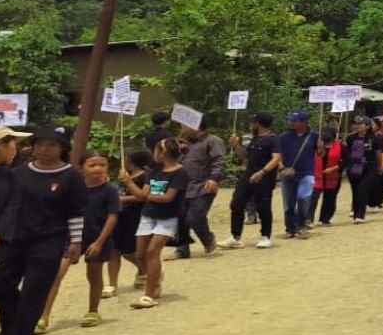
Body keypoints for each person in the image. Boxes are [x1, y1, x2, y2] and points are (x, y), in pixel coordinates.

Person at [0, 127, 85, 335]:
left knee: (33, 293)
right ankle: (12, 323)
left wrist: (75, 241)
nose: (44, 149)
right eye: (40, 144)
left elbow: (75, 212)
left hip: (49, 241)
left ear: (62, 149)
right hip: (14, 239)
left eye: (51, 145)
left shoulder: (71, 176)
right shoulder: (17, 173)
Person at [120, 137, 188, 310]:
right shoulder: (153, 172)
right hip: (148, 215)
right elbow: (142, 195)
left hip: (168, 217)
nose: (152, 154)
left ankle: (149, 295)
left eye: (155, 150)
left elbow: (167, 197)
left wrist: (144, 196)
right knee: (140, 254)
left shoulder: (180, 173)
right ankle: (155, 276)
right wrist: (128, 182)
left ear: (162, 152)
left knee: (152, 252)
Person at [219, 112, 280, 250]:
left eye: (254, 121)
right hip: (248, 176)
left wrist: (262, 172)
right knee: (236, 204)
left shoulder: (273, 139)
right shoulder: (255, 138)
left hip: (264, 178)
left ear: (259, 123)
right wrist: (236, 146)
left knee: (263, 207)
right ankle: (235, 237)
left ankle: (265, 236)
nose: (252, 124)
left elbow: (276, 158)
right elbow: (246, 156)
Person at [76, 152, 119, 328]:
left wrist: (99, 242)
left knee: (93, 274)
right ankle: (44, 315)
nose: (97, 169)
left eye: (102, 165)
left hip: (97, 238)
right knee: (57, 274)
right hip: (74, 237)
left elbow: (112, 217)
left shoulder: (109, 190)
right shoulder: (75, 188)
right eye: (92, 165)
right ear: (82, 168)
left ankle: (93, 310)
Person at [0, 126, 25, 335]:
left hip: (1, 242)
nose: (16, 149)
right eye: (13, 144)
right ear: (0, 144)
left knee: (3, 285)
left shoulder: (7, 175)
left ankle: (15, 329)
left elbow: (13, 206)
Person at [174, 125, 224, 259]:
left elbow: (218, 161)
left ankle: (207, 238)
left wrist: (214, 178)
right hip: (182, 185)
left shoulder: (212, 140)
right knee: (180, 218)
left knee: (195, 217)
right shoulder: (180, 143)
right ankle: (182, 248)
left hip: (203, 185)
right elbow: (169, 162)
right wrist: (178, 150)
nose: (182, 128)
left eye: (184, 125)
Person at [108, 149, 149, 296]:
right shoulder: (124, 176)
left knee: (130, 252)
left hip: (135, 216)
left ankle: (147, 271)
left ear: (131, 160)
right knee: (114, 251)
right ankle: (112, 284)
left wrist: (127, 186)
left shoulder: (145, 176)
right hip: (119, 215)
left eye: (125, 157)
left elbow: (143, 196)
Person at [279, 112, 319, 238]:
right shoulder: (283, 137)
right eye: (291, 120)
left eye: (294, 121)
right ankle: (290, 228)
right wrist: (281, 167)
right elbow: (277, 154)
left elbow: (320, 154)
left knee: (303, 198)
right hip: (288, 173)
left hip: (307, 173)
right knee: (289, 204)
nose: (291, 123)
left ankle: (301, 226)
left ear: (303, 122)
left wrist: (321, 148)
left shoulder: (315, 136)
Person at [343, 117, 383, 224]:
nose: (357, 126)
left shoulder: (374, 139)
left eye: (360, 124)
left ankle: (360, 215)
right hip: (353, 168)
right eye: (356, 124)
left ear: (367, 126)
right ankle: (355, 211)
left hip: (369, 168)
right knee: (355, 191)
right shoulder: (350, 138)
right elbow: (346, 153)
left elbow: (378, 154)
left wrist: (380, 166)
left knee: (363, 189)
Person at [310, 124, 343, 224]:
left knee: (330, 198)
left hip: (333, 176)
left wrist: (334, 168)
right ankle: (308, 218)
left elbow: (345, 160)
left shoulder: (340, 146)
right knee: (312, 198)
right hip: (317, 175)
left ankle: (325, 218)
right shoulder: (316, 145)